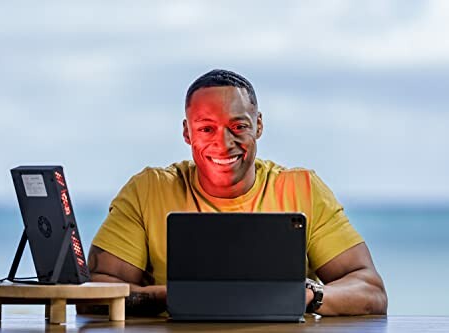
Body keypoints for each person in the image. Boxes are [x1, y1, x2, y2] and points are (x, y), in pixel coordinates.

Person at [86, 69, 388, 316]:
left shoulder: (302, 190)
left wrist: (307, 295)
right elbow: (93, 292)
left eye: (237, 126)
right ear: (187, 132)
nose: (224, 142)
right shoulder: (149, 190)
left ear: (258, 125)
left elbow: (371, 291)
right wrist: (176, 296)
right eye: (206, 129)